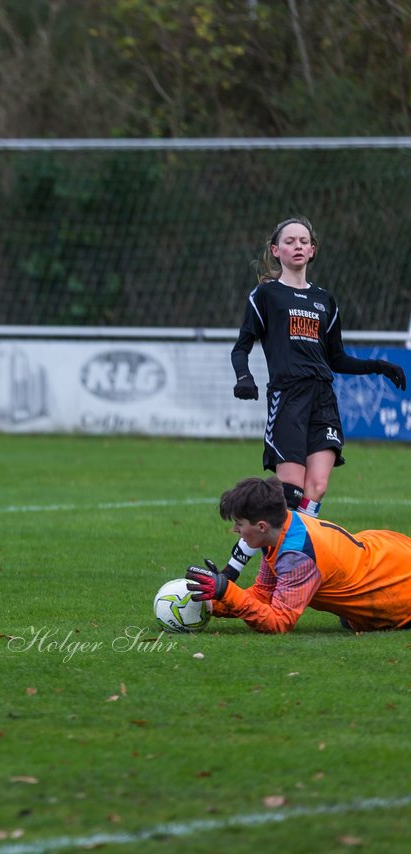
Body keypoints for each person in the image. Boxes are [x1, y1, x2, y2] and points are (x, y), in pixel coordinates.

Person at [223, 216, 405, 582]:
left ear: (313, 250)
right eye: (289, 241)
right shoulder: (266, 295)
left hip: (323, 398)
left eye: (304, 240)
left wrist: (378, 365)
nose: (297, 246)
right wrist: (245, 377)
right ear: (276, 251)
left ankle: (286, 571)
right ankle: (235, 569)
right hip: (288, 397)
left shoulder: (324, 300)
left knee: (315, 490)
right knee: (286, 496)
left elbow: (336, 358)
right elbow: (242, 346)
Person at [186, 476, 411, 634]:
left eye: (239, 524)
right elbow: (264, 594)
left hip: (397, 587)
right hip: (388, 554)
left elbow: (279, 622)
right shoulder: (280, 529)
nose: (235, 530)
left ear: (262, 526)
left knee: (358, 621)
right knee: (350, 618)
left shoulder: (296, 557)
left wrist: (226, 590)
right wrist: (213, 602)